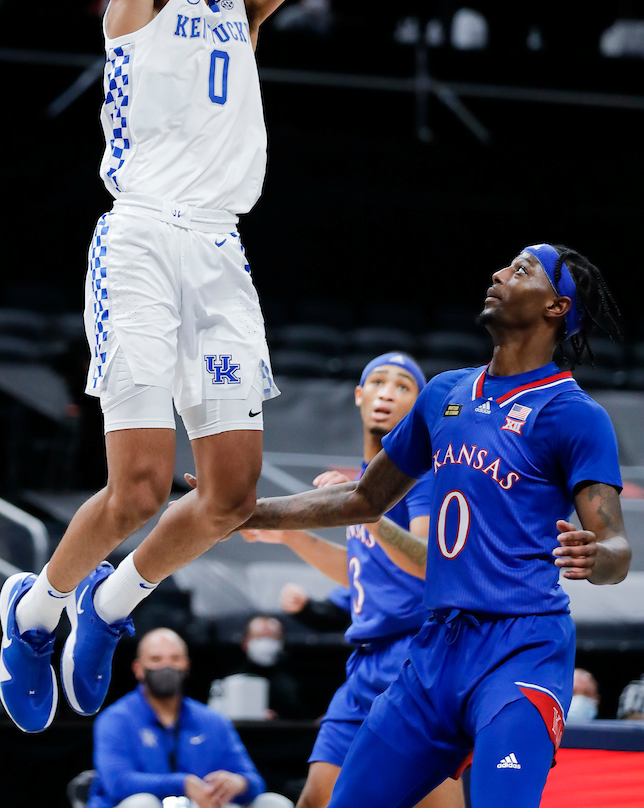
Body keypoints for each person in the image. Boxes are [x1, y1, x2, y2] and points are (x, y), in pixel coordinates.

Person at [0, 0, 333, 734]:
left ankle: (111, 598)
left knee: (227, 497)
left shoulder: (237, 3)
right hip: (140, 240)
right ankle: (38, 608)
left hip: (219, 251)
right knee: (138, 487)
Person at [238, 244, 632, 808]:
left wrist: (600, 556)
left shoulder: (575, 414)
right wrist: (247, 512)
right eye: (505, 265)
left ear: (555, 306)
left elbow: (616, 542)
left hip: (520, 648)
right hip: (435, 651)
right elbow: (364, 497)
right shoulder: (444, 393)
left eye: (522, 270)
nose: (498, 273)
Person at [242, 353, 462, 808]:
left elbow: (427, 562)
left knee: (432, 802)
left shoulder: (421, 474)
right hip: (364, 661)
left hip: (415, 657)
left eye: (402, 386)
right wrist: (290, 538)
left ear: (418, 404)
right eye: (378, 382)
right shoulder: (362, 481)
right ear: (359, 397)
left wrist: (367, 511)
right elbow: (361, 570)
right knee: (315, 800)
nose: (387, 392)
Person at [87, 627, 293, 808]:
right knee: (143, 804)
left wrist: (238, 783)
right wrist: (182, 783)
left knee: (274, 803)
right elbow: (118, 784)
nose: (166, 666)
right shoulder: (116, 720)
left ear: (186, 665)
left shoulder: (213, 721)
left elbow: (254, 782)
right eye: (156, 659)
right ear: (138, 669)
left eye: (175, 659)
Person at [229, 616, 303, 720]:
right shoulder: (232, 681)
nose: (266, 643)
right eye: (259, 637)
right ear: (245, 643)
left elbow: (300, 719)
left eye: (272, 637)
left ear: (282, 642)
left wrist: (277, 719)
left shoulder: (290, 685)